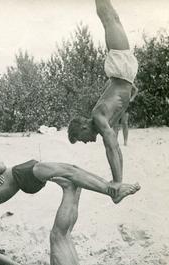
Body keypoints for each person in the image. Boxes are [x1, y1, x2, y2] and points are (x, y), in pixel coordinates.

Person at [67, 0, 138, 184]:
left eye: (81, 139)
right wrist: (119, 182)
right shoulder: (103, 119)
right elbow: (116, 149)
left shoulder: (98, 118)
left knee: (108, 18)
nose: (86, 142)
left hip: (121, 69)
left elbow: (111, 148)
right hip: (124, 74)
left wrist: (116, 183)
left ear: (83, 127)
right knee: (111, 18)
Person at [0, 160, 140, 206]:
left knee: (72, 170)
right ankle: (111, 191)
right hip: (22, 176)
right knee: (70, 171)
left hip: (22, 178)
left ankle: (111, 187)